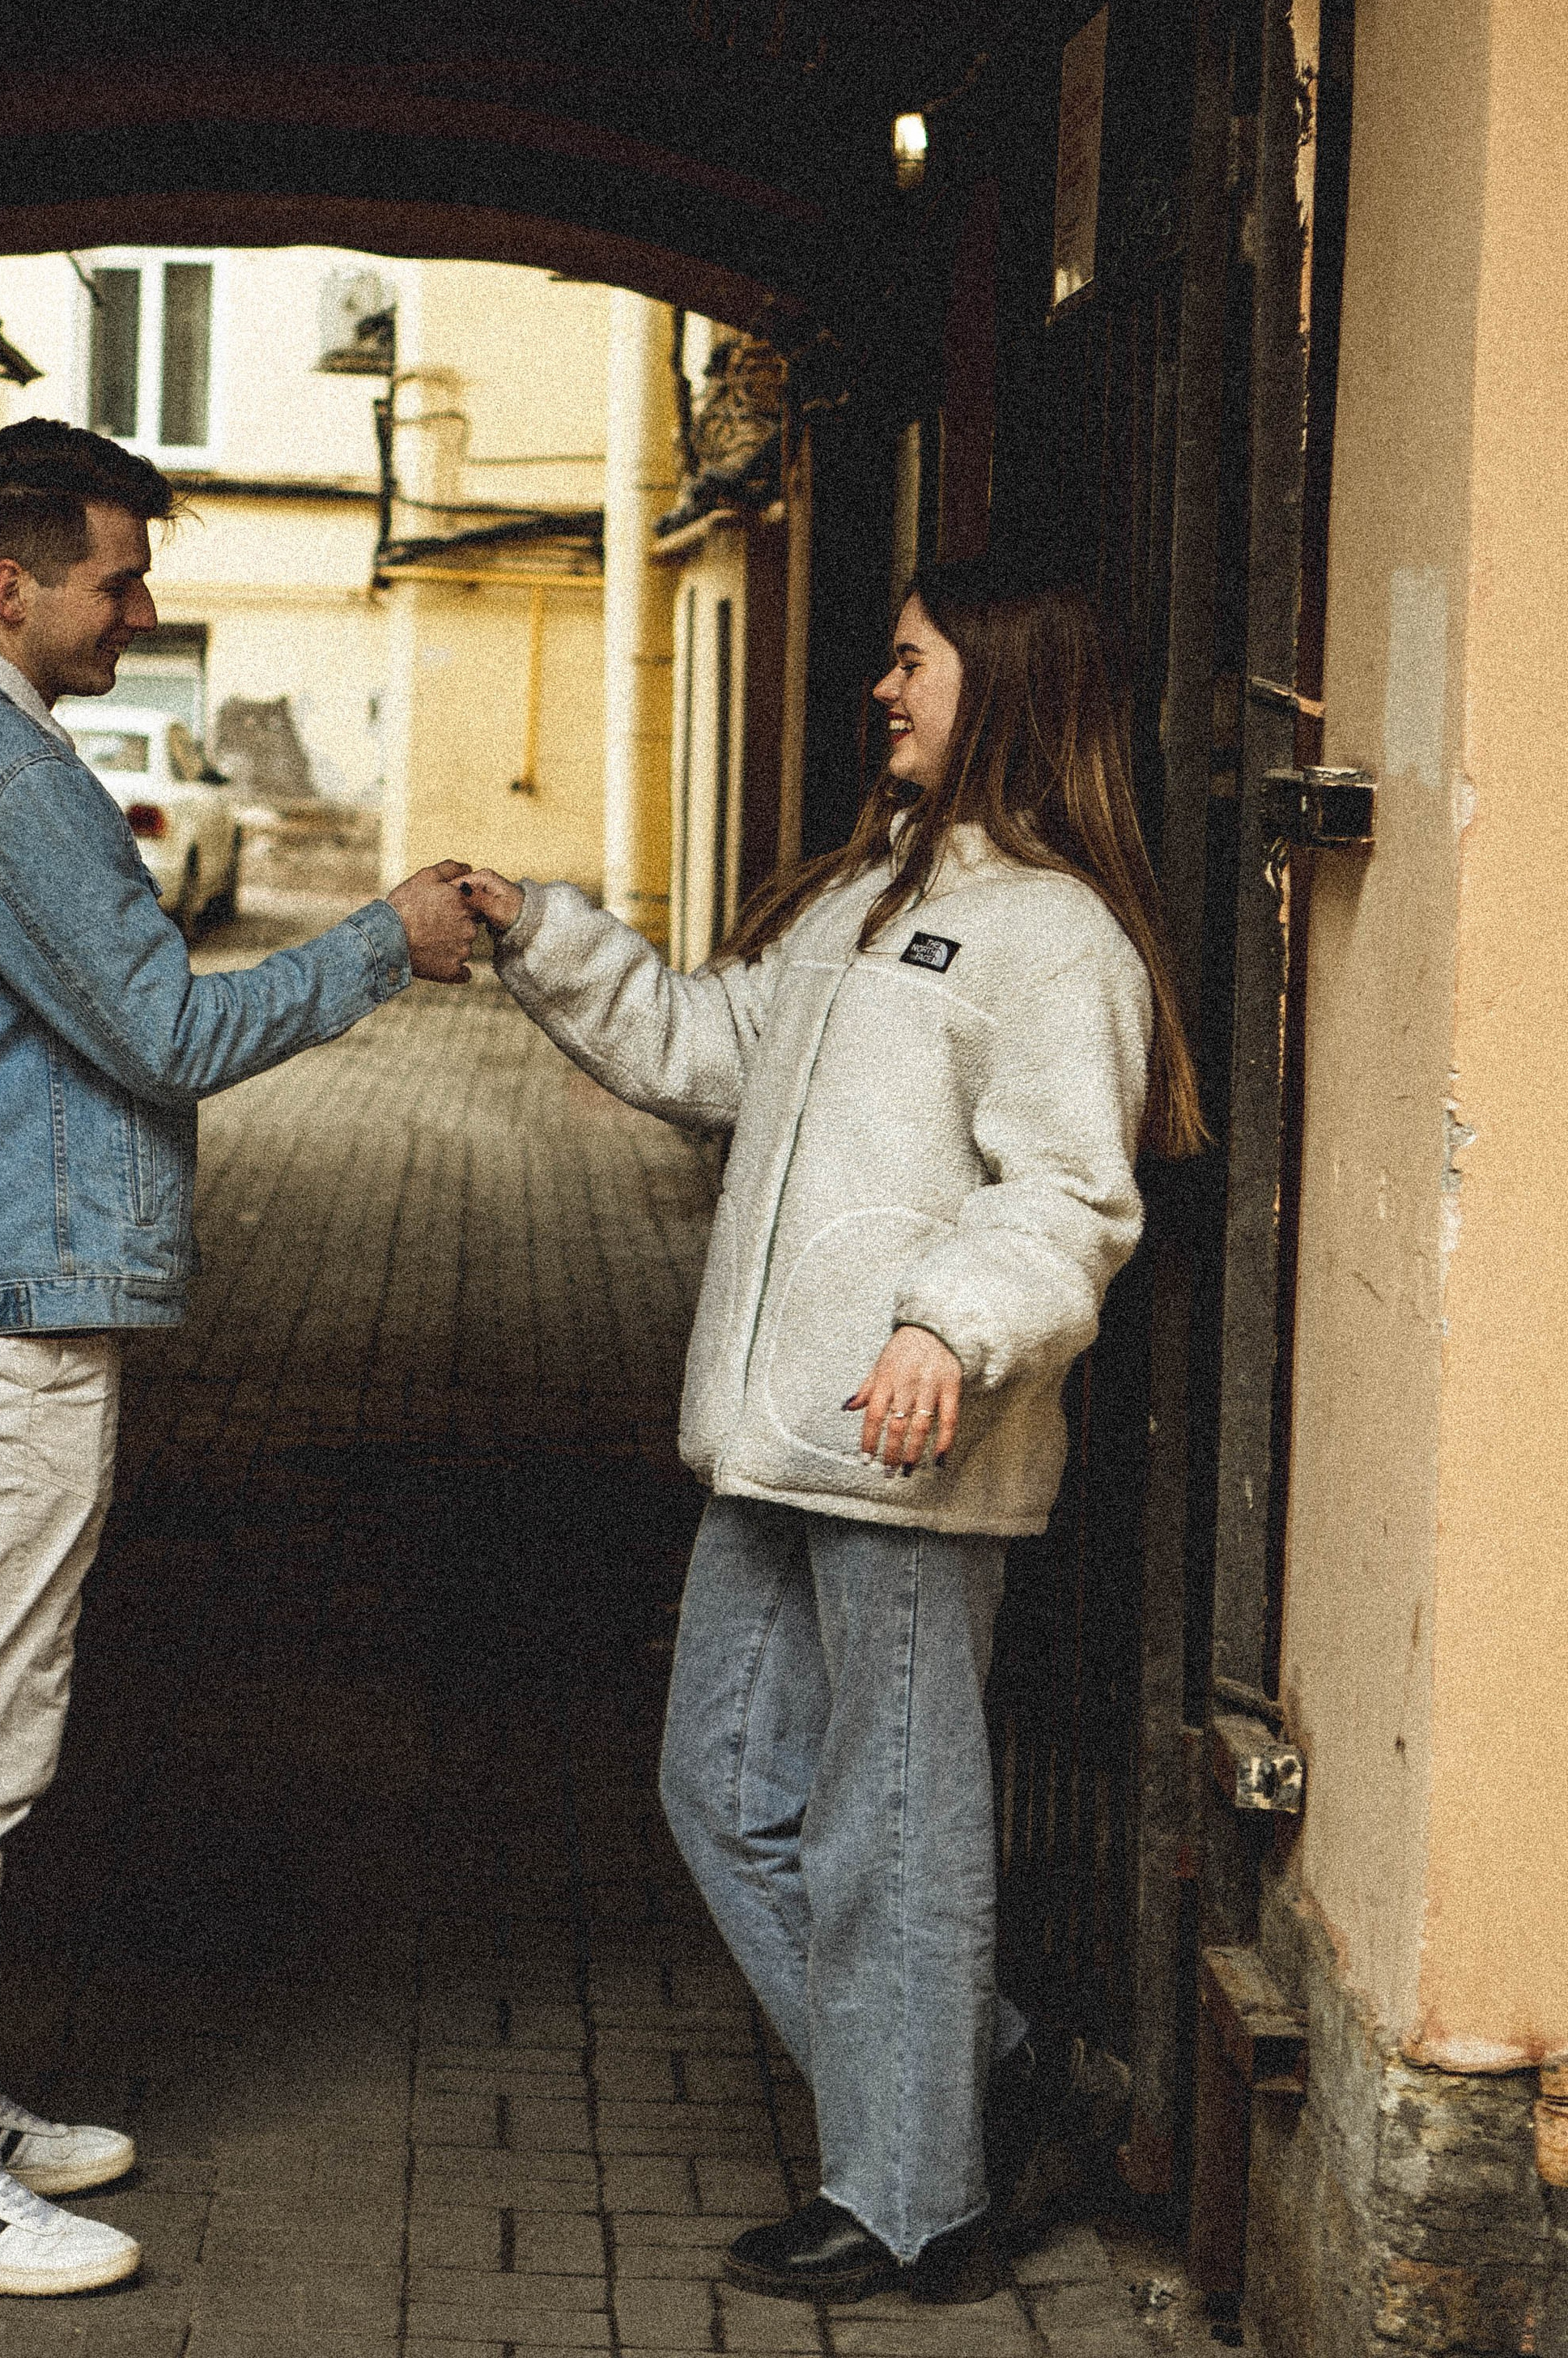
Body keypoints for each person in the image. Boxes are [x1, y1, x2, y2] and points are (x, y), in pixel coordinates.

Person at [459, 562, 1202, 2308]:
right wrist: (538, 931)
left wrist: (948, 1327)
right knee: (719, 1796)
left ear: (1006, 680)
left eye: (911, 661)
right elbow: (704, 1049)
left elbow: (1070, 1198)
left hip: (905, 1452)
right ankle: (984, 2071)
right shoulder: (863, 899)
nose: (881, 688)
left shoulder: (1054, 937)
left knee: (892, 1828)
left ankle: (916, 2199)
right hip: (772, 1440)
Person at [0, 416, 476, 2298]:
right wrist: (383, 942)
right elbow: (167, 1037)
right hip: (7, 1320)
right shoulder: (0, 777)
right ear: (7, 584)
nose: (142, 605)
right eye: (118, 576)